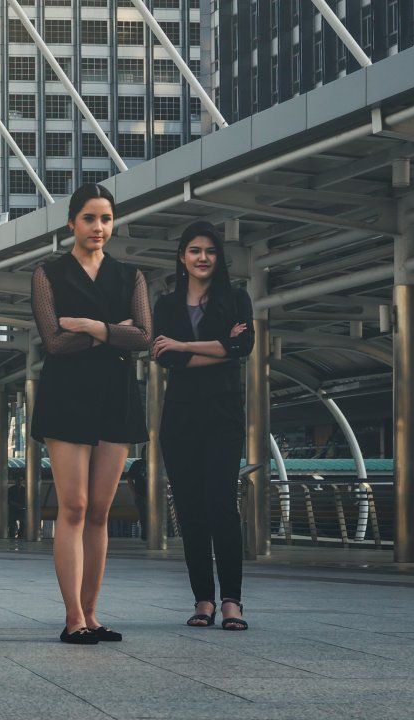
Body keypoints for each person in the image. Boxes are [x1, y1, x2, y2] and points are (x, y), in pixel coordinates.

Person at [31, 184, 151, 645]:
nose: (97, 228)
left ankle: (94, 613)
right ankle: (73, 617)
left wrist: (90, 326)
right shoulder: (49, 273)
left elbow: (144, 337)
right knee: (75, 506)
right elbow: (54, 343)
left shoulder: (130, 275)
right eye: (88, 219)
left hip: (116, 395)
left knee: (101, 509)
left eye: (105, 219)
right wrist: (112, 333)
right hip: (67, 395)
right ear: (71, 224)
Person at [152, 221, 255, 632]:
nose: (202, 257)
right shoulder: (166, 305)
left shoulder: (237, 299)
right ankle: (203, 601)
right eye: (194, 250)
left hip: (223, 415)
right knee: (192, 512)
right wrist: (218, 349)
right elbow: (164, 357)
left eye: (210, 251)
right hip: (180, 418)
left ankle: (232, 601)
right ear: (182, 256)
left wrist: (184, 345)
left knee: (222, 508)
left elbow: (242, 348)